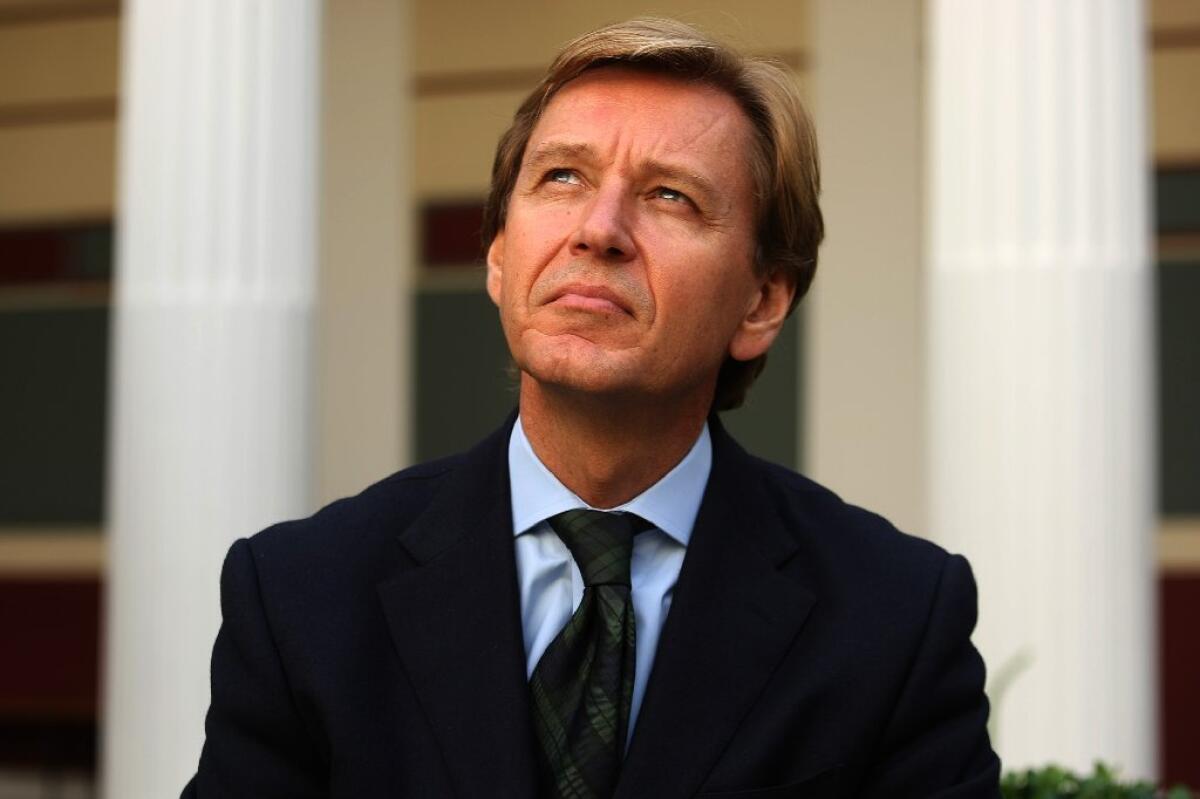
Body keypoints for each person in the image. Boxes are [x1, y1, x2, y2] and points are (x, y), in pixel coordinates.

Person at [183, 17, 1000, 799]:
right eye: (562, 177)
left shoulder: (896, 617)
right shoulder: (299, 595)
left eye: (672, 196)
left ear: (762, 302)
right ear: (500, 258)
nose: (599, 229)